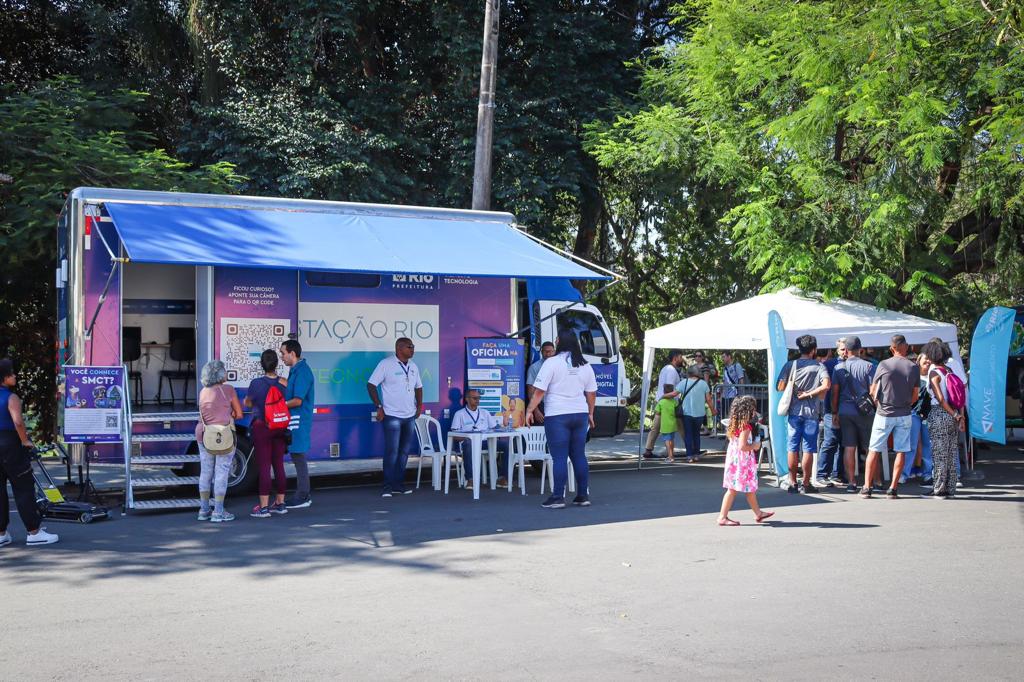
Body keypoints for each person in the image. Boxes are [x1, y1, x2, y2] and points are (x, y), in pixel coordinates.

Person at [526, 329, 597, 509]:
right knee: (578, 455)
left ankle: (558, 497)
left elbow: (539, 391)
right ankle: (582, 495)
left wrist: (530, 410)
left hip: (557, 415)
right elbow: (591, 393)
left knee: (559, 457)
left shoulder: (552, 363)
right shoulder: (585, 365)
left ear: (558, 341)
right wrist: (590, 413)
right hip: (580, 414)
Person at [0, 359, 59, 547]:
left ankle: (1, 534)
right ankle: (33, 532)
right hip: (10, 444)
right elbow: (17, 422)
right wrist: (25, 441)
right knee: (23, 488)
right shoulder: (11, 397)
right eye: (12, 373)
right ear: (4, 378)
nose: (15, 376)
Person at [862, 334, 919, 499]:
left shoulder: (883, 364)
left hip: (884, 412)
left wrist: (879, 402)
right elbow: (915, 395)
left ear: (891, 348)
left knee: (874, 449)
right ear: (906, 347)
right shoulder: (913, 367)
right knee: (901, 450)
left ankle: (867, 487)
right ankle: (893, 488)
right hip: (905, 413)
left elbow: (873, 390)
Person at [367, 337, 423, 497]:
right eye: (409, 347)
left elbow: (419, 387)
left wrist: (419, 405)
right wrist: (379, 406)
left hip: (409, 416)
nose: (412, 349)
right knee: (392, 451)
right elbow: (371, 385)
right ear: (399, 349)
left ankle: (399, 485)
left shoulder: (413, 366)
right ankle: (387, 487)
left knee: (404, 452)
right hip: (392, 416)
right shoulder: (386, 364)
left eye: (413, 346)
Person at [777, 335, 830, 493]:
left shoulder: (790, 365)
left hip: (793, 413)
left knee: (792, 447)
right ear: (814, 350)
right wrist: (809, 394)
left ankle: (792, 482)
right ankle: (806, 484)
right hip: (811, 414)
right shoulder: (819, 366)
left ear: (799, 349)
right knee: (808, 449)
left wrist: (791, 385)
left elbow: (780, 387)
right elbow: (826, 385)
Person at [195, 360, 243, 522]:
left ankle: (204, 510)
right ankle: (219, 511)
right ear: (221, 374)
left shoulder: (202, 392)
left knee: (206, 472)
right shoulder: (228, 390)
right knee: (221, 472)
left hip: (203, 434)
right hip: (224, 435)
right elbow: (239, 413)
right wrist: (230, 416)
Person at [718, 395, 774, 526]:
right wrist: (755, 446)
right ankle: (722, 517)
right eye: (753, 409)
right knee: (735, 489)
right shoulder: (746, 427)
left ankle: (758, 513)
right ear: (748, 410)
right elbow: (743, 446)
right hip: (743, 463)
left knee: (746, 489)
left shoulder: (734, 424)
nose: (754, 412)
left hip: (734, 461)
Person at [245, 350, 289, 518]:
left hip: (262, 427)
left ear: (261, 364)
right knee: (279, 464)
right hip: (280, 427)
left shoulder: (256, 383)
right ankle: (280, 503)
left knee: (264, 467)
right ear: (277, 364)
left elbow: (249, 403)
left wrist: (249, 402)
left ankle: (263, 508)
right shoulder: (284, 382)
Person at [831, 336, 876, 494]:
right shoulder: (869, 366)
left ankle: (851, 483)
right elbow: (873, 390)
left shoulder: (838, 369)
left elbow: (835, 393)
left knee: (849, 447)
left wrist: (835, 412)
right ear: (860, 349)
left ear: (847, 350)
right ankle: (869, 483)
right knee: (869, 447)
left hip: (844, 411)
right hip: (865, 411)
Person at [921, 341, 963, 498]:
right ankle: (950, 488)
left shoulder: (934, 373)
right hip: (953, 415)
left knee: (939, 453)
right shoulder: (948, 370)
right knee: (951, 452)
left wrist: (953, 414)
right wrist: (958, 415)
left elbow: (939, 398)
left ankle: (938, 489)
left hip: (940, 414)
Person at [280, 339, 315, 509]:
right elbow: (293, 390)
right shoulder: (295, 371)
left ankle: (303, 496)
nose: (282, 357)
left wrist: (276, 407)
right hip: (294, 420)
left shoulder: (302, 372)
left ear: (292, 354)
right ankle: (303, 494)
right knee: (296, 455)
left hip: (299, 420)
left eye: (283, 353)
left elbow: (297, 400)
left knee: (298, 456)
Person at [450, 388, 503, 488]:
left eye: (479, 398)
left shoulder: (485, 412)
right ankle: (470, 479)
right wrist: (467, 436)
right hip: (469, 443)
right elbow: (454, 435)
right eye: (475, 398)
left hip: (484, 442)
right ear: (467, 399)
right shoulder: (459, 414)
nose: (477, 400)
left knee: (505, 445)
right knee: (468, 443)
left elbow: (495, 428)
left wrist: (501, 428)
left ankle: (502, 477)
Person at [643, 350, 685, 458]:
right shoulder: (672, 371)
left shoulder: (665, 368)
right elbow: (669, 387)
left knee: (656, 427)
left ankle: (648, 449)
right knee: (681, 426)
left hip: (662, 401)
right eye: (680, 357)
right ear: (675, 358)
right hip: (669, 402)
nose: (682, 359)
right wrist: (669, 398)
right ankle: (690, 448)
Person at [902, 352, 933, 485]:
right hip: (913, 413)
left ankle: (928, 473)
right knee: (911, 445)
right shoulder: (912, 376)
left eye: (930, 359)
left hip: (928, 414)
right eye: (926, 359)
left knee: (928, 445)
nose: (928, 361)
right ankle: (904, 473)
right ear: (919, 361)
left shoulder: (934, 375)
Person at [814, 345, 843, 488]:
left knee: (843, 443)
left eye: (846, 349)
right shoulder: (829, 365)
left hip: (845, 409)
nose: (845, 352)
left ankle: (837, 474)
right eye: (842, 349)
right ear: (836, 350)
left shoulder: (852, 363)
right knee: (830, 441)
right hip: (830, 409)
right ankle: (821, 474)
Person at [675, 365, 716, 463]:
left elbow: (674, 393)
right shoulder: (703, 384)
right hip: (700, 413)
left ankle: (689, 455)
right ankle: (696, 455)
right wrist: (713, 410)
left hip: (687, 413)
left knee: (688, 434)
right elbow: (709, 399)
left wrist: (664, 396)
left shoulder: (683, 383)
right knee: (696, 434)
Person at [526, 342, 556, 425]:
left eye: (550, 351)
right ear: (541, 352)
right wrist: (536, 410)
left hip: (557, 405)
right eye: (545, 351)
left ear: (554, 351)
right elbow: (530, 390)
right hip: (541, 405)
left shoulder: (560, 365)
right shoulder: (534, 367)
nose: (548, 354)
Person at [654, 390, 678, 463]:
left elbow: (657, 412)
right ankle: (672, 455)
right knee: (671, 440)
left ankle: (670, 457)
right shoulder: (674, 401)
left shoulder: (661, 402)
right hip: (673, 423)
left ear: (664, 392)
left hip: (665, 424)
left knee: (667, 441)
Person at [720, 351, 747, 416]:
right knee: (725, 415)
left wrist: (741, 395)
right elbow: (724, 382)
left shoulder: (737, 366)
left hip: (734, 395)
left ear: (729, 356)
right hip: (725, 396)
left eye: (723, 357)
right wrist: (721, 395)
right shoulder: (725, 369)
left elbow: (741, 380)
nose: (722, 359)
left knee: (733, 415)